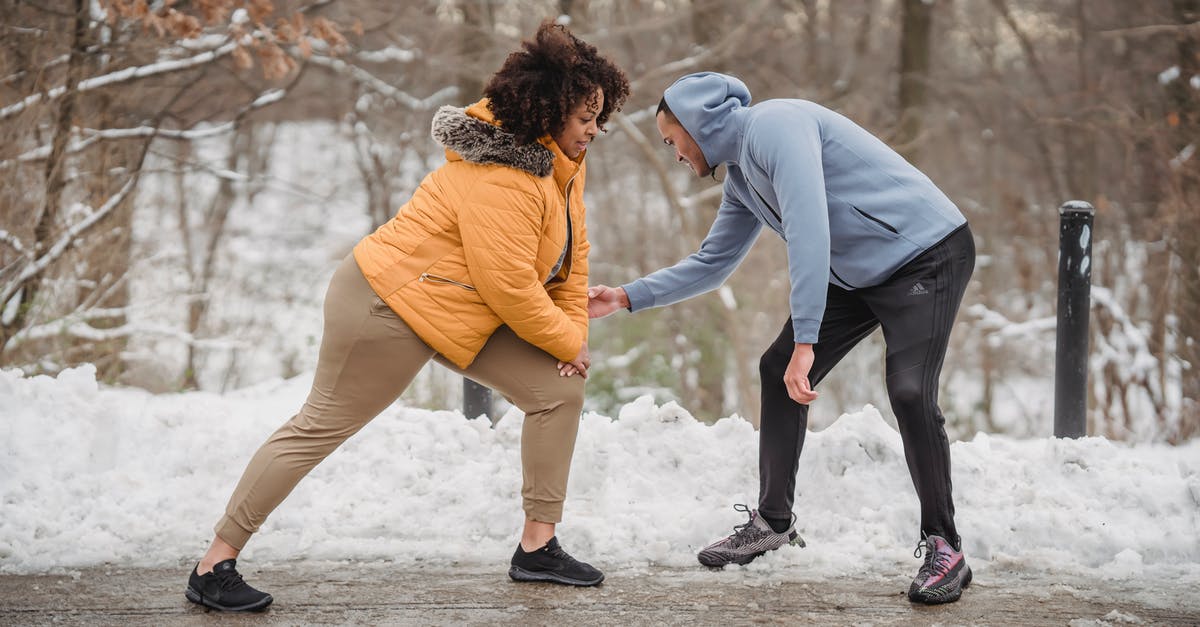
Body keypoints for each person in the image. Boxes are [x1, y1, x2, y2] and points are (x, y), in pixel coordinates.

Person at [185, 22, 630, 612]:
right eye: (584, 119)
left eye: (599, 117)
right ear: (548, 114)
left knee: (556, 393)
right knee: (320, 426)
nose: (595, 131)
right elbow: (510, 286)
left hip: (454, 307)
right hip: (385, 303)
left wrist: (571, 337)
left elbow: (572, 264)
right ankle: (214, 562)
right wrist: (565, 339)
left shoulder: (559, 167)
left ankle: (537, 548)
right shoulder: (505, 178)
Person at [588, 72, 975, 605]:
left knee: (909, 391)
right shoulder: (742, 178)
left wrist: (807, 341)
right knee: (777, 370)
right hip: (858, 273)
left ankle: (945, 545)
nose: (674, 154)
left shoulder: (776, 126)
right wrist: (628, 296)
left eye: (670, 139)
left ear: (697, 124)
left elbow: (810, 225)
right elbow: (712, 263)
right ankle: (773, 521)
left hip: (924, 255)